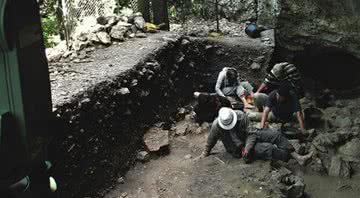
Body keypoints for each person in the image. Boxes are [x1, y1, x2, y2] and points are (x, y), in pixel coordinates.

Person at [200, 108, 312, 165]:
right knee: (268, 148)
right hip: (236, 148)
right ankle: (288, 158)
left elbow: (251, 133)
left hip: (248, 136)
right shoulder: (216, 126)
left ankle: (298, 158)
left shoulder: (240, 115)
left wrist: (248, 147)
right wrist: (205, 154)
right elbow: (210, 141)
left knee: (275, 135)